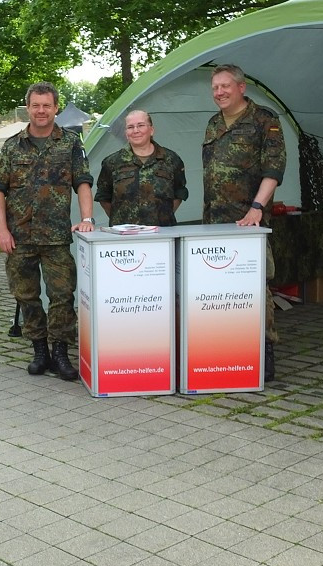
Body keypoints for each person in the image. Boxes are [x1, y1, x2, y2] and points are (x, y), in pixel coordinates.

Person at [0, 81, 95, 381]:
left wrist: (87, 217)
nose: (41, 111)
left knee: (62, 295)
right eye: (36, 105)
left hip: (56, 237)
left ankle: (60, 351)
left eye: (47, 105)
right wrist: (2, 231)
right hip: (19, 238)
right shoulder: (12, 146)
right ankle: (39, 351)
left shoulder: (71, 143)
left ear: (56, 108)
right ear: (28, 108)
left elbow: (83, 182)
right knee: (26, 296)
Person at [202, 64, 286, 381]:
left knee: (256, 286)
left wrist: (256, 208)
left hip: (248, 222)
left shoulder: (264, 120)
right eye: (215, 88)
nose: (219, 92)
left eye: (225, 86)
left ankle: (265, 350)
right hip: (215, 221)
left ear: (241, 87)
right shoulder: (212, 123)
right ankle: (230, 349)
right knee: (219, 286)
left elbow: (274, 170)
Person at [95, 109, 187, 226]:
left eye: (141, 125)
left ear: (151, 130)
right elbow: (104, 196)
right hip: (124, 237)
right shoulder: (112, 162)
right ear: (126, 133)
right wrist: (121, 219)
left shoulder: (171, 159)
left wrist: (163, 216)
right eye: (130, 127)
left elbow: (179, 192)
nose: (136, 131)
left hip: (162, 235)